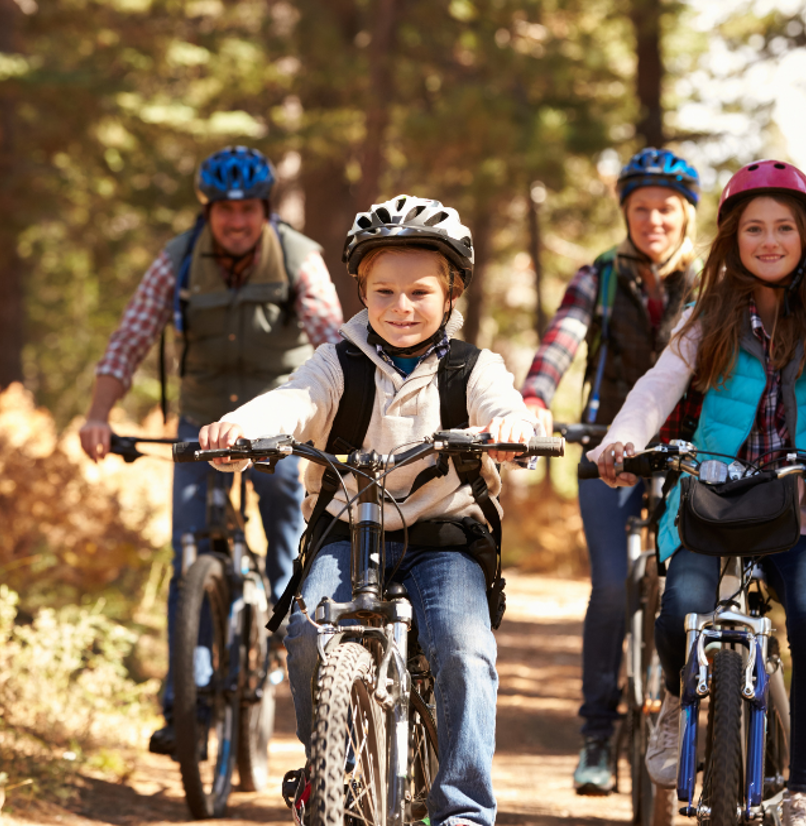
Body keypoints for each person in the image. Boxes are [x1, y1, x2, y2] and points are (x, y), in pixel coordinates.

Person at [199, 194, 541, 826]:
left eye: (419, 292)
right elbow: (291, 401)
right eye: (383, 292)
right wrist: (237, 431)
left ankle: (464, 811)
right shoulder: (337, 364)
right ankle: (333, 770)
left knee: (464, 648)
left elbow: (502, 407)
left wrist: (513, 429)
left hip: (445, 541)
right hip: (347, 533)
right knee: (307, 629)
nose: (400, 308)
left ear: (452, 293)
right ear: (360, 291)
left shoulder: (472, 368)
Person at [78, 146, 344, 755]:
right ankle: (187, 705)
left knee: (289, 540)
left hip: (275, 420)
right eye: (223, 211)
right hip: (201, 422)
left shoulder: (300, 259)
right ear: (208, 212)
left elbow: (332, 340)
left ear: (264, 210)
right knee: (189, 553)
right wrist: (98, 415)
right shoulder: (176, 260)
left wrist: (337, 419)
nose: (236, 222)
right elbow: (129, 340)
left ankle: (291, 659)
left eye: (247, 209)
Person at [592, 159, 806, 825]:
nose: (768, 241)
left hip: (795, 503)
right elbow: (658, 384)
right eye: (753, 229)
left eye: (784, 228)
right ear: (732, 240)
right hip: (712, 498)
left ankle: (802, 784)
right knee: (681, 608)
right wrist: (622, 440)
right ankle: (678, 701)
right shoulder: (705, 315)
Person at [520, 147, 701, 794]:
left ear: (687, 216)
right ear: (626, 212)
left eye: (666, 209)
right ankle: (597, 735)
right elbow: (563, 337)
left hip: (688, 452)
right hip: (605, 446)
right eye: (641, 208)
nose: (653, 220)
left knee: (691, 586)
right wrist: (536, 397)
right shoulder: (597, 275)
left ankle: (697, 713)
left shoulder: (711, 280)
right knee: (612, 587)